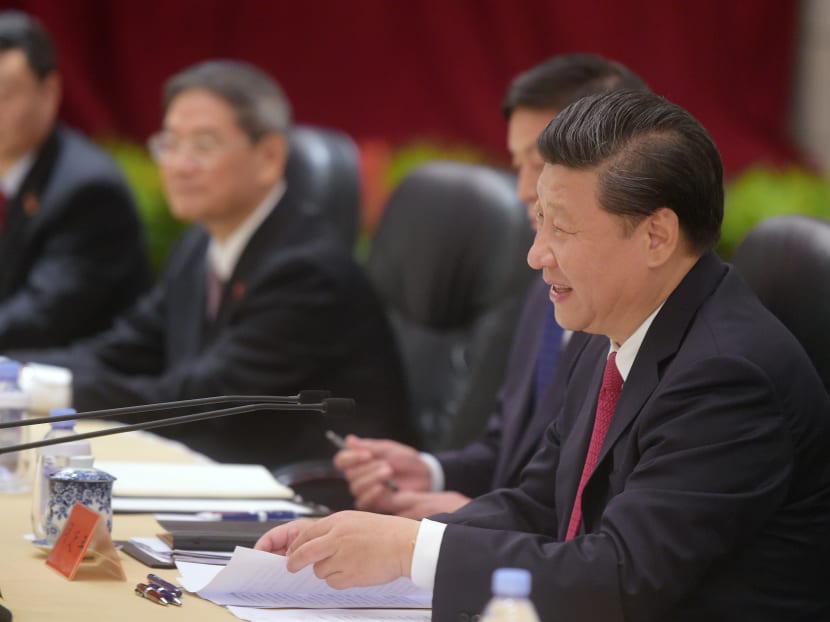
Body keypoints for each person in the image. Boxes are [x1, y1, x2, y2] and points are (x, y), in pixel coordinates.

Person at [256, 89, 830, 620]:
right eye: (538, 224)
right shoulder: (610, 334)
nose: (537, 256)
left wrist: (412, 551)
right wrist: (369, 536)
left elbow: (620, 575)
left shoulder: (728, 376)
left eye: (562, 229)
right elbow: (539, 505)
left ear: (656, 236)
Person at [8, 60, 414, 468]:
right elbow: (126, 347)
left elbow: (205, 398)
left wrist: (55, 390)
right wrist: (18, 372)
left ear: (270, 156)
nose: (180, 165)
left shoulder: (305, 269)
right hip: (225, 466)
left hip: (319, 492)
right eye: (170, 143)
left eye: (203, 145)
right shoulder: (200, 243)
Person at [335, 54, 648, 519]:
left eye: (540, 164)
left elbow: (603, 521)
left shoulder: (633, 315)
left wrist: (473, 517)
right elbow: (510, 451)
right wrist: (431, 472)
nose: (524, 189)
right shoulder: (544, 284)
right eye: (517, 164)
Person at [0, 11, 150, 349]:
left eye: (5, 94)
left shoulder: (88, 190)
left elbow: (40, 316)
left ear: (50, 92)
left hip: (72, 381)